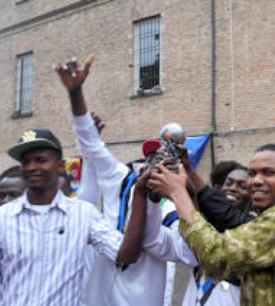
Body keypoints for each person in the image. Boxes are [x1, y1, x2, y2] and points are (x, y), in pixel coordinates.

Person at [55, 56, 196, 306]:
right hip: (100, 294)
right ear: (144, 162)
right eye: (154, 155)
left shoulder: (175, 210)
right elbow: (91, 143)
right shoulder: (119, 179)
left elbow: (187, 253)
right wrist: (76, 93)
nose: (160, 160)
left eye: (169, 159)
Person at [148, 144, 275, 305]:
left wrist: (178, 193)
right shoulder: (269, 217)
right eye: (252, 173)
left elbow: (216, 255)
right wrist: (187, 169)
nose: (257, 181)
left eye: (269, 173)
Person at [0, 129, 127, 306]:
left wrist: (141, 199)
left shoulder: (83, 215)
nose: (32, 167)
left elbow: (125, 253)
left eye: (41, 160)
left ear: (60, 166)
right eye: (26, 161)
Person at [181, 163, 250, 306]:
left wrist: (178, 192)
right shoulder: (208, 226)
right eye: (228, 183)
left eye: (242, 187)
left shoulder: (254, 229)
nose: (232, 188)